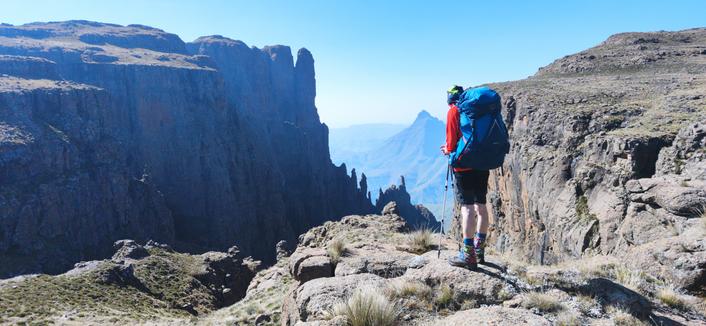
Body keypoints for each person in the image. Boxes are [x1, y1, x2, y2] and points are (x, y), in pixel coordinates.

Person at [440, 85, 490, 270]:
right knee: (481, 207)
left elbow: (451, 142)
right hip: (483, 163)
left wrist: (447, 150)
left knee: (467, 208)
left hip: (464, 167)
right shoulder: (480, 110)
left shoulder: (454, 111)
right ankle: (479, 251)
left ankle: (468, 256)